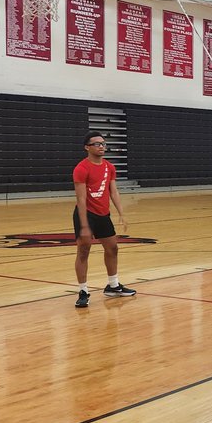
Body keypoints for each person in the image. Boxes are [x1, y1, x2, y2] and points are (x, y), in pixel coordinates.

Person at [73, 131, 137, 308]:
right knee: (83, 250)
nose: (101, 147)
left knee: (112, 248)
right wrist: (85, 225)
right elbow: (81, 199)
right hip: (86, 214)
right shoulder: (81, 168)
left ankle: (113, 286)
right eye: (97, 144)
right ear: (87, 147)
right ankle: (83, 291)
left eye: (103, 144)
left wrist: (122, 214)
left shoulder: (109, 167)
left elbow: (113, 191)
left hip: (103, 215)